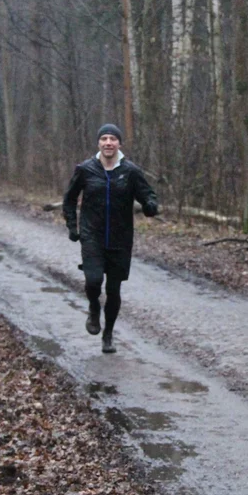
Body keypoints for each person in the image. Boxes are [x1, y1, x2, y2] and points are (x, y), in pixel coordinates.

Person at [63, 123, 158, 353]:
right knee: (94, 281)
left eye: (112, 139)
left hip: (120, 239)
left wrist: (150, 205)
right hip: (91, 236)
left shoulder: (131, 171)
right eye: (104, 138)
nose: (108, 142)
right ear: (98, 143)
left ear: (119, 144)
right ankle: (94, 308)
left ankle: (108, 335)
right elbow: (69, 199)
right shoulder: (85, 169)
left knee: (114, 291)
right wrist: (73, 227)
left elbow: (147, 195)